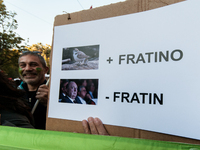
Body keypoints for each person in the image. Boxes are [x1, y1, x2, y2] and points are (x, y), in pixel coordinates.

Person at [18, 51, 49, 129]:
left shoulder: (57, 94)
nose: (28, 69)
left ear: (45, 70)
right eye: (22, 65)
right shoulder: (12, 94)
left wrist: (50, 105)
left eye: (33, 65)